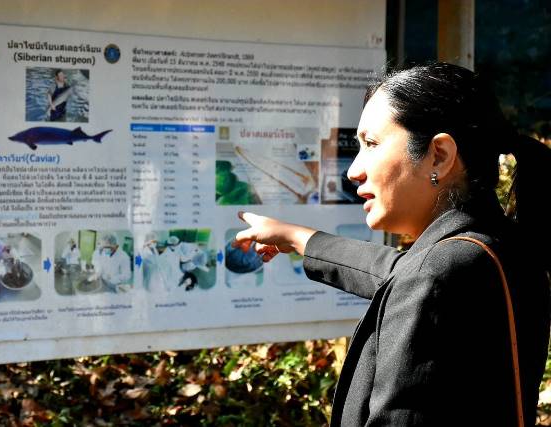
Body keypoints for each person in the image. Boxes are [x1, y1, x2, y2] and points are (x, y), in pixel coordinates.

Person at [234, 63, 551, 426]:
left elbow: (417, 278)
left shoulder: (437, 274)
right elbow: (398, 270)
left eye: (371, 144)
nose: (353, 171)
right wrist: (297, 238)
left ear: (439, 155)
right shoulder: (503, 247)